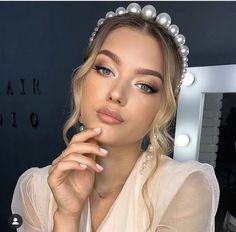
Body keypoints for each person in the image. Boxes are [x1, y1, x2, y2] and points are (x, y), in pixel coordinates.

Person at [11, 3, 220, 232]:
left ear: (164, 106)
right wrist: (67, 216)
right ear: (83, 79)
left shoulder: (184, 188)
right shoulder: (34, 188)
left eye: (144, 85)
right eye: (105, 69)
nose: (117, 94)